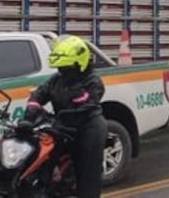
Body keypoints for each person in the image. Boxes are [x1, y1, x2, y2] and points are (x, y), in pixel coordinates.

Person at [25, 34, 107, 198]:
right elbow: (37, 97)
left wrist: (62, 115)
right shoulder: (56, 80)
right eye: (60, 68)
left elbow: (84, 103)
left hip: (87, 128)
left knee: (87, 178)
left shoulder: (92, 82)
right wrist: (27, 119)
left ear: (79, 64)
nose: (62, 71)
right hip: (61, 127)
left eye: (66, 68)